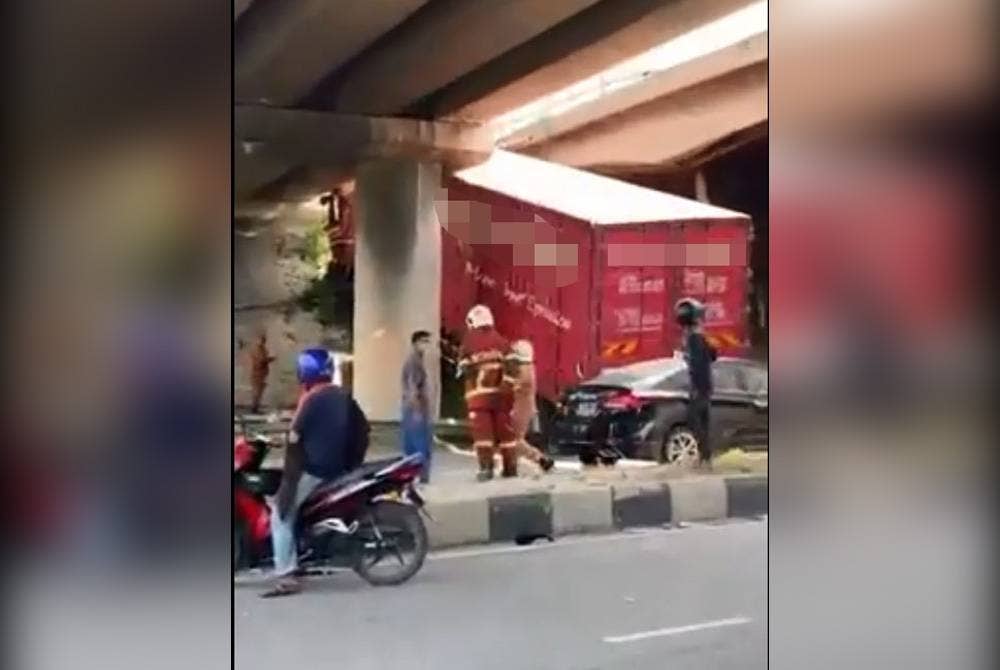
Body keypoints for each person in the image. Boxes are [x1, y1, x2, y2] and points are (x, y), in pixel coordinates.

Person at [262, 348, 369, 598]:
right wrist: (352, 462)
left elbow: (295, 438)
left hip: (315, 470)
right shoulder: (343, 397)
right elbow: (363, 430)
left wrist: (289, 479)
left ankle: (286, 574)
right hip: (338, 468)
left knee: (280, 515)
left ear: (305, 372)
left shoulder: (311, 400)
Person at [459, 305, 518, 481]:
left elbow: (463, 368)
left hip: (478, 399)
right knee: (506, 434)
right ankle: (510, 468)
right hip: (502, 399)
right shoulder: (502, 342)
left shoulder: (469, 342)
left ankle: (486, 468)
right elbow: (514, 368)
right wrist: (507, 387)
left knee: (483, 435)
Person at [675, 298, 717, 466]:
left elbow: (700, 364)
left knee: (695, 420)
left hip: (700, 388)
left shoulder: (695, 339)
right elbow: (713, 355)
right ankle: (705, 457)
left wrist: (697, 389)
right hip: (704, 387)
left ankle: (705, 457)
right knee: (701, 422)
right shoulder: (698, 338)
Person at [509, 339, 555, 473]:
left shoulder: (523, 370)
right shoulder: (529, 367)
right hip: (524, 408)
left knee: (514, 440)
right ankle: (513, 466)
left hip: (519, 409)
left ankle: (540, 459)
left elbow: (514, 386)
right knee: (513, 440)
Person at [401, 330, 433, 483]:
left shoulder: (417, 360)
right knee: (419, 443)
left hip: (415, 406)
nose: (426, 345)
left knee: (414, 443)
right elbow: (412, 386)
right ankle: (419, 475)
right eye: (423, 341)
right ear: (415, 343)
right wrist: (417, 409)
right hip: (416, 407)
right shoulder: (413, 361)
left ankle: (413, 475)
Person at [249, 332, 275, 414]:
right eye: (262, 339)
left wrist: (269, 358)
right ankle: (254, 408)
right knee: (257, 392)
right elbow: (261, 360)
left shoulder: (263, 349)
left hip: (262, 373)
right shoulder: (257, 349)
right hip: (258, 374)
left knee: (259, 391)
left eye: (264, 339)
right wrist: (271, 359)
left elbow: (263, 359)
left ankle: (256, 407)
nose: (263, 341)